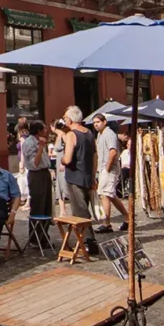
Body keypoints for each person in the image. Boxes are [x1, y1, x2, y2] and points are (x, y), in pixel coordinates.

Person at [61, 106, 99, 253]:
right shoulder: (89, 133)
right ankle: (87, 240)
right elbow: (95, 156)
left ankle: (88, 241)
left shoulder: (72, 134)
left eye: (65, 118)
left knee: (80, 211)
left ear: (70, 119)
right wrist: (94, 175)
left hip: (75, 177)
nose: (64, 120)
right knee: (84, 207)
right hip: (88, 175)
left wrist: (63, 161)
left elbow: (68, 158)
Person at [91, 114, 128, 233]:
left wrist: (107, 168)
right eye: (94, 122)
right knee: (110, 195)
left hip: (109, 169)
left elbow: (113, 152)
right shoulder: (99, 135)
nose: (96, 124)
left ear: (104, 122)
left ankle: (106, 223)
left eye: (98, 122)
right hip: (102, 168)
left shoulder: (109, 133)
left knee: (105, 194)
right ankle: (128, 218)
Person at [21, 121, 53, 221]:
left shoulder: (40, 140)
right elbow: (34, 163)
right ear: (39, 131)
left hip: (45, 173)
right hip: (36, 175)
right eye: (44, 128)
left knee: (47, 205)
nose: (46, 130)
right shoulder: (29, 143)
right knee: (38, 204)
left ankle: (44, 233)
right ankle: (36, 234)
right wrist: (40, 147)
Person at [52, 120, 69, 216]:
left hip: (62, 164)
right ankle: (62, 212)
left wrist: (64, 162)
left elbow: (68, 148)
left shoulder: (63, 136)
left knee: (64, 187)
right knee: (59, 188)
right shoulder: (59, 136)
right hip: (58, 165)